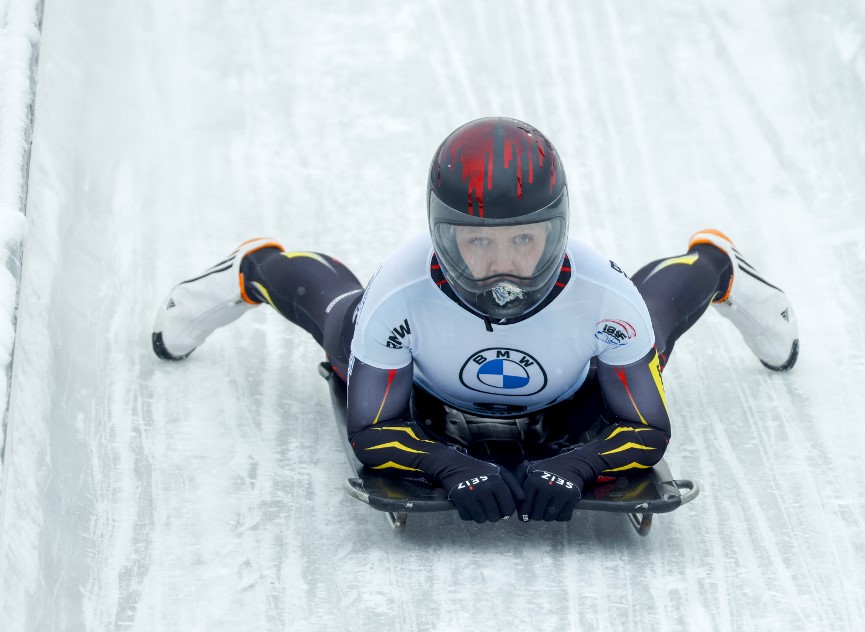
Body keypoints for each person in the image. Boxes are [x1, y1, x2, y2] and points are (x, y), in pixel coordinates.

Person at [152, 117, 798, 524]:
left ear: (557, 232)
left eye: (524, 242)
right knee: (339, 319)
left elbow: (646, 429)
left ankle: (717, 262)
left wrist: (577, 465)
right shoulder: (400, 295)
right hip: (425, 378)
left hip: (575, 377)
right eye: (477, 243)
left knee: (649, 324)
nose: (503, 269)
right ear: (441, 235)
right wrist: (443, 463)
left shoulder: (605, 296)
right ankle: (253, 266)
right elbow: (371, 429)